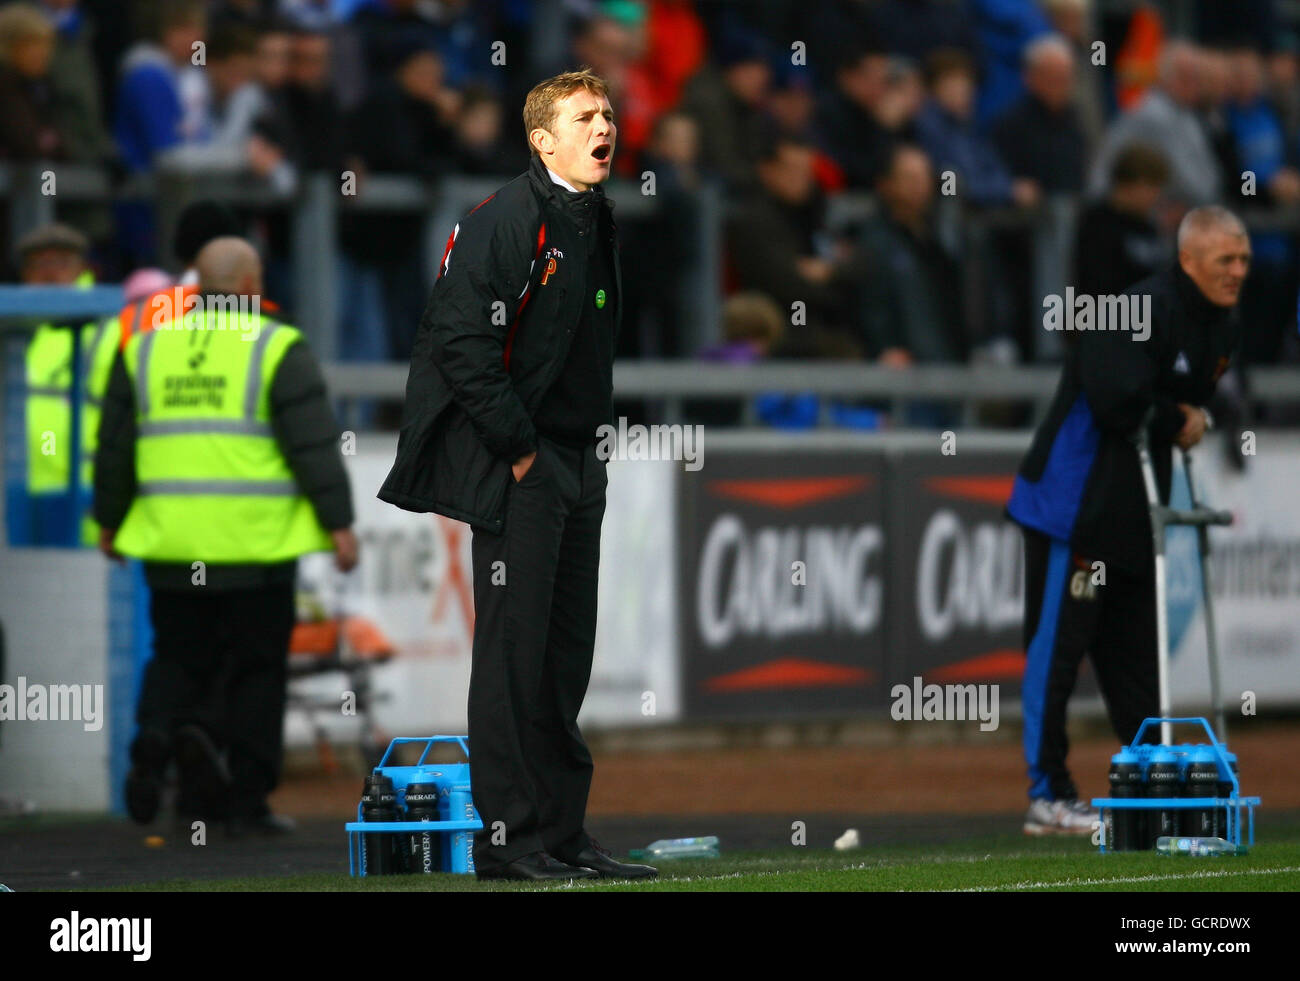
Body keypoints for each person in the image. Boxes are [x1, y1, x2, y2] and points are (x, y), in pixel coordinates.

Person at [379, 68, 656, 882]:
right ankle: (508, 839)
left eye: (607, 112)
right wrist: (519, 444)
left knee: (563, 656)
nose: (604, 125)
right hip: (527, 464)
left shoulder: (593, 216)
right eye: (585, 116)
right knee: (512, 656)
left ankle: (563, 832)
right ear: (543, 140)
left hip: (577, 459)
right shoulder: (508, 218)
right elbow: (457, 339)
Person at [94, 237, 358, 835]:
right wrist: (338, 524)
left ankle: (157, 740)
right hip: (255, 550)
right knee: (256, 669)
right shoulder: (276, 346)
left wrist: (108, 521)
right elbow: (313, 446)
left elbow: (114, 448)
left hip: (172, 544)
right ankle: (245, 797)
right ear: (245, 286)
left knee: (177, 656)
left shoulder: (144, 348)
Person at [1005, 206, 1247, 834]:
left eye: (1244, 259)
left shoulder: (1219, 327)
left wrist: (1194, 419)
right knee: (1058, 650)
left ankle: (1150, 786)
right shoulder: (1134, 310)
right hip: (1075, 509)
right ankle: (1046, 793)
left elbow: (1192, 402)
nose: (1238, 271)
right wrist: (1181, 419)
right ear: (1188, 259)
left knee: (1138, 657)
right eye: (1226, 259)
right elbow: (1117, 398)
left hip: (1136, 515)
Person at [17, 223, 112, 547]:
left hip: (82, 500)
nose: (50, 273)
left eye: (60, 263)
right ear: (25, 274)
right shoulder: (14, 332)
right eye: (39, 265)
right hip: (19, 497)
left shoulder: (107, 330)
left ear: (81, 269)